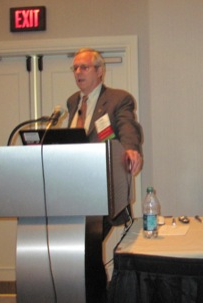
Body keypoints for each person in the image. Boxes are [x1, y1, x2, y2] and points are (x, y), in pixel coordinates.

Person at [67, 48, 143, 302]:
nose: (78, 72)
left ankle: (96, 297)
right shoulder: (72, 102)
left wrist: (131, 149)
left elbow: (127, 127)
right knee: (81, 251)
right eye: (75, 68)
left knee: (88, 247)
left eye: (84, 67)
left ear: (99, 71)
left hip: (102, 187)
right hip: (73, 189)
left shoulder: (118, 99)